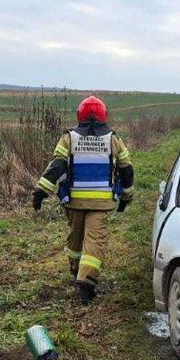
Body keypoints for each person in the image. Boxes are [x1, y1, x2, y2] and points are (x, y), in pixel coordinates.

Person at [32, 96, 135, 304]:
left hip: (74, 202)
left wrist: (41, 191)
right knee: (94, 242)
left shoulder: (69, 138)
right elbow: (126, 170)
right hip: (101, 204)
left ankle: (75, 272)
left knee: (75, 239)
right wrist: (126, 197)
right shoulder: (114, 139)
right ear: (103, 115)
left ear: (79, 115)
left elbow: (57, 166)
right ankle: (86, 283)